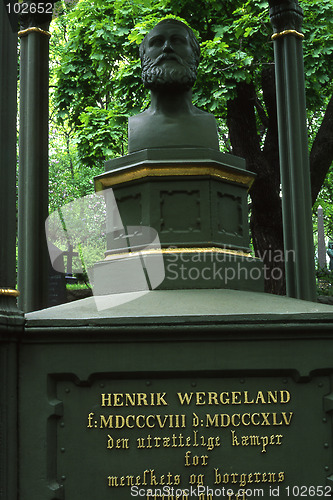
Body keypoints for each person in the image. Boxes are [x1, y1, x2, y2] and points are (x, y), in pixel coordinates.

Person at [128, 19, 219, 153]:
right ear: (143, 58)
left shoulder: (208, 124)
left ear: (196, 55)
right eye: (157, 42)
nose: (167, 47)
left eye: (177, 40)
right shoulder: (135, 126)